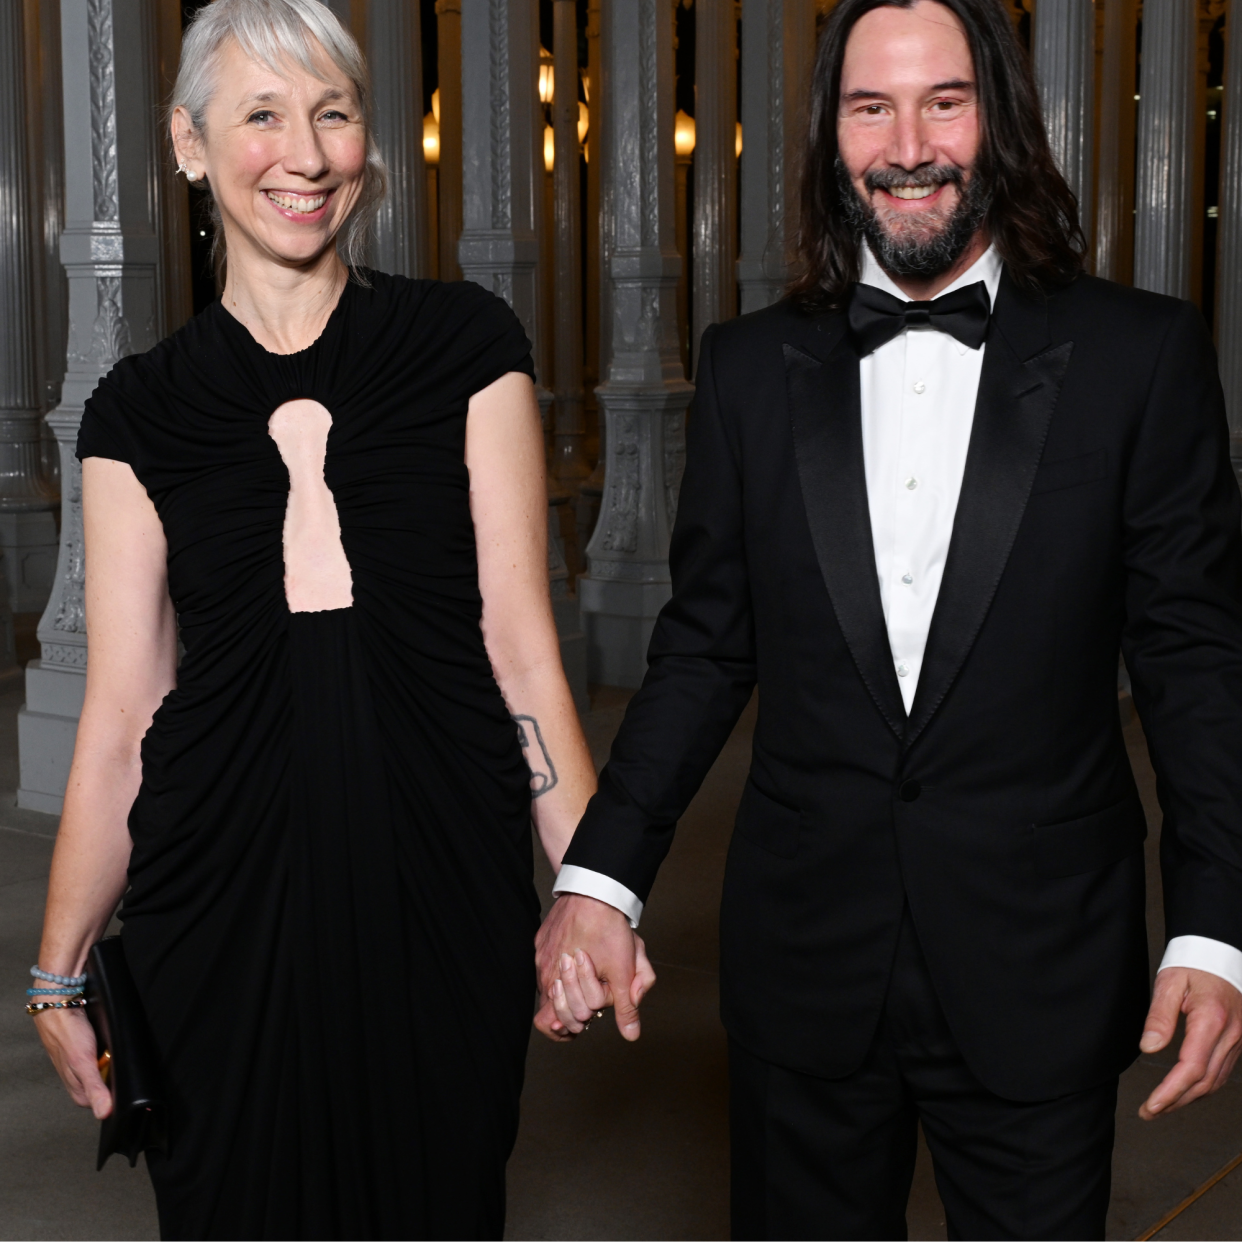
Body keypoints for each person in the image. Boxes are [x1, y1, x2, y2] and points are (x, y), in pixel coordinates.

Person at [535, 0, 1242, 1237]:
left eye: (944, 102)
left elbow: (1193, 663)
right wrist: (601, 877)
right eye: (871, 107)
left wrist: (1218, 929)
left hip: (1040, 961)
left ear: (1002, 125)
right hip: (806, 965)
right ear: (830, 138)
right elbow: (703, 650)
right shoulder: (750, 369)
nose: (907, 143)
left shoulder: (1144, 357)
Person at [28, 1, 597, 1237]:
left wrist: (596, 888)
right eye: (263, 115)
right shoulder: (137, 415)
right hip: (212, 911)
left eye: (333, 113)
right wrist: (58, 970)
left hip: (439, 889)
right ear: (188, 144)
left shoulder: (467, 348)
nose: (307, 152)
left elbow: (521, 651)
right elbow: (126, 711)